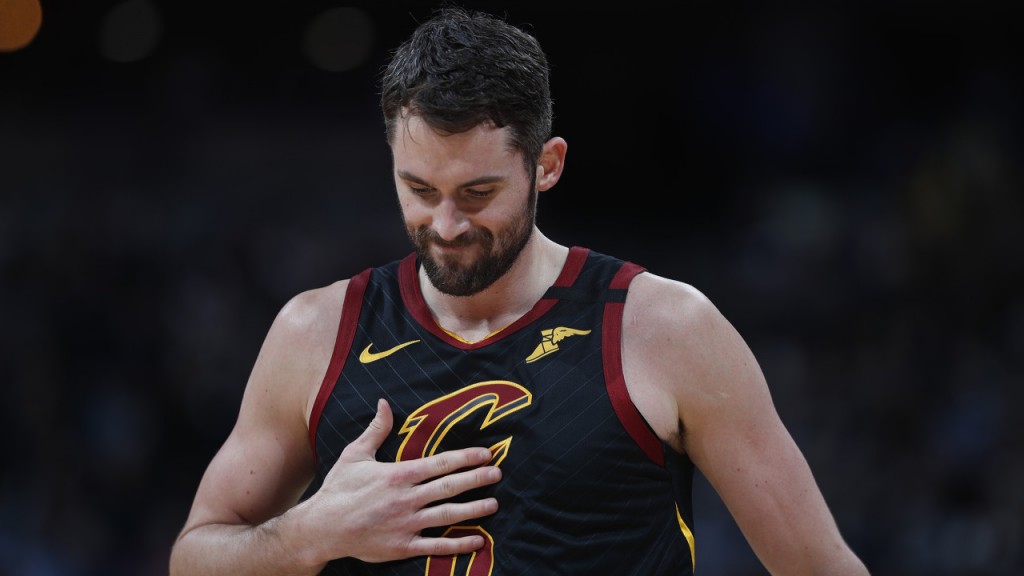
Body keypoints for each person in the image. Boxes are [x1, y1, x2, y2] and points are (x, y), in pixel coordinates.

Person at [169, 6, 870, 575]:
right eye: (418, 189)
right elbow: (194, 556)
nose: (446, 225)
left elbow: (821, 566)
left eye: (477, 193)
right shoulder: (315, 332)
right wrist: (306, 535)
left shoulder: (664, 329)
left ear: (547, 165)